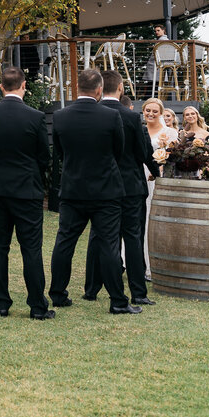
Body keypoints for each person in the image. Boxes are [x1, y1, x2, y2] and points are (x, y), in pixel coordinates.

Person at [48, 69, 137, 315]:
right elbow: (117, 151)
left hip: (73, 188)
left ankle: (57, 294)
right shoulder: (110, 117)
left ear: (78, 89)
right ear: (99, 90)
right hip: (105, 190)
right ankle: (118, 301)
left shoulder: (60, 116)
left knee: (65, 241)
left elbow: (60, 152)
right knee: (108, 245)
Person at [0, 67, 51, 319]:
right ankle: (37, 307)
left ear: (1, 87)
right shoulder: (36, 116)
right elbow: (44, 156)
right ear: (24, 86)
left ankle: (1, 302)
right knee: (31, 248)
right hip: (26, 189)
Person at [83, 70, 158, 308]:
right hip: (130, 185)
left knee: (99, 238)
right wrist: (156, 170)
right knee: (133, 238)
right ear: (121, 87)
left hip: (101, 187)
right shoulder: (131, 117)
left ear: (99, 87)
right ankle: (137, 292)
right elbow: (143, 151)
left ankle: (92, 288)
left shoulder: (90, 114)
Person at [140, 97, 179, 271]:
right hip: (139, 176)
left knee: (154, 217)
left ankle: (154, 264)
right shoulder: (139, 130)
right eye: (148, 110)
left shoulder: (169, 133)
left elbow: (175, 157)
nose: (151, 114)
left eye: (155, 111)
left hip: (158, 177)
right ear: (143, 111)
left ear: (161, 113)